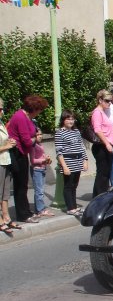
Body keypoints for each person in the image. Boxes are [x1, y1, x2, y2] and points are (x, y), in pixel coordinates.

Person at [7, 94, 49, 223]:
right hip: (17, 153)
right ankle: (23, 214)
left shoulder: (26, 117)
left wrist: (34, 137)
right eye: (39, 110)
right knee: (20, 185)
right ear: (34, 108)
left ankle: (25, 210)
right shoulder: (20, 117)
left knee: (23, 184)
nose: (39, 113)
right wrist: (35, 138)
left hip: (22, 153)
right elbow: (26, 141)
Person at [55, 110, 88, 216]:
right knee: (68, 185)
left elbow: (82, 147)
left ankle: (74, 206)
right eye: (68, 119)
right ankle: (70, 207)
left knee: (74, 185)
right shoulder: (60, 132)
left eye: (72, 119)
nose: (71, 121)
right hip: (68, 162)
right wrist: (64, 166)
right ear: (63, 120)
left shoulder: (76, 131)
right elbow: (59, 151)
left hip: (78, 161)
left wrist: (85, 160)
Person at [91, 89, 113, 197]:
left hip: (108, 146)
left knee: (106, 173)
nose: (109, 103)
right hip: (101, 146)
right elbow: (97, 130)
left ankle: (98, 196)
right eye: (107, 101)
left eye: (110, 101)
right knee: (102, 173)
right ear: (100, 100)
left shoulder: (105, 112)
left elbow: (111, 131)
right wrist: (107, 143)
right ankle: (100, 197)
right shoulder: (97, 112)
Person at [0, 98, 18, 235]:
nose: (2, 111)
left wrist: (9, 141)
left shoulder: (1, 123)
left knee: (5, 192)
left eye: (2, 108)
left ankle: (6, 216)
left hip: (5, 160)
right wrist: (6, 146)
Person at [29, 128, 54, 218]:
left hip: (42, 169)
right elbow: (32, 160)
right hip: (37, 170)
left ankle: (40, 208)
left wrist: (47, 160)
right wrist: (44, 160)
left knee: (41, 190)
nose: (40, 136)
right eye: (37, 135)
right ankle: (40, 210)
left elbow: (42, 156)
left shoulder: (40, 145)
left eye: (41, 134)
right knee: (39, 191)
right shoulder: (33, 146)